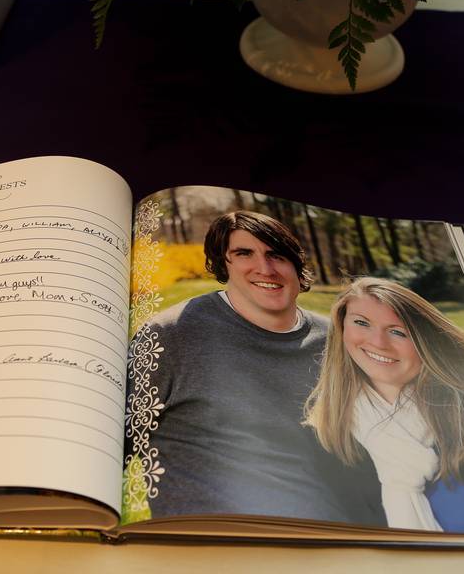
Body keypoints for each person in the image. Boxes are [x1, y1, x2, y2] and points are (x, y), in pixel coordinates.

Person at [129, 211, 378, 524]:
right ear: (223, 264)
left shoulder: (339, 342)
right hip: (212, 537)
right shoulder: (170, 335)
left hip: (332, 534)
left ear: (295, 265)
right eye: (244, 253)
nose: (265, 268)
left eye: (276, 255)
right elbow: (112, 442)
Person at [303, 277, 464, 535]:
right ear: (342, 329)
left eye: (398, 332)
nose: (378, 342)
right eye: (362, 323)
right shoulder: (329, 436)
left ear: (424, 341)